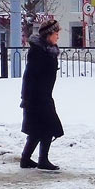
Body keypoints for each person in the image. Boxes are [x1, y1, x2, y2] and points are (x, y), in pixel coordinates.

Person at [20, 19, 64, 171]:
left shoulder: (47, 51)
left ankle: (25, 159)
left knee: (37, 129)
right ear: (48, 35)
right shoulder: (39, 53)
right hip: (37, 97)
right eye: (56, 34)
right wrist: (27, 98)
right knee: (48, 127)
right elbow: (30, 76)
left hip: (43, 95)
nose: (58, 37)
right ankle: (42, 160)